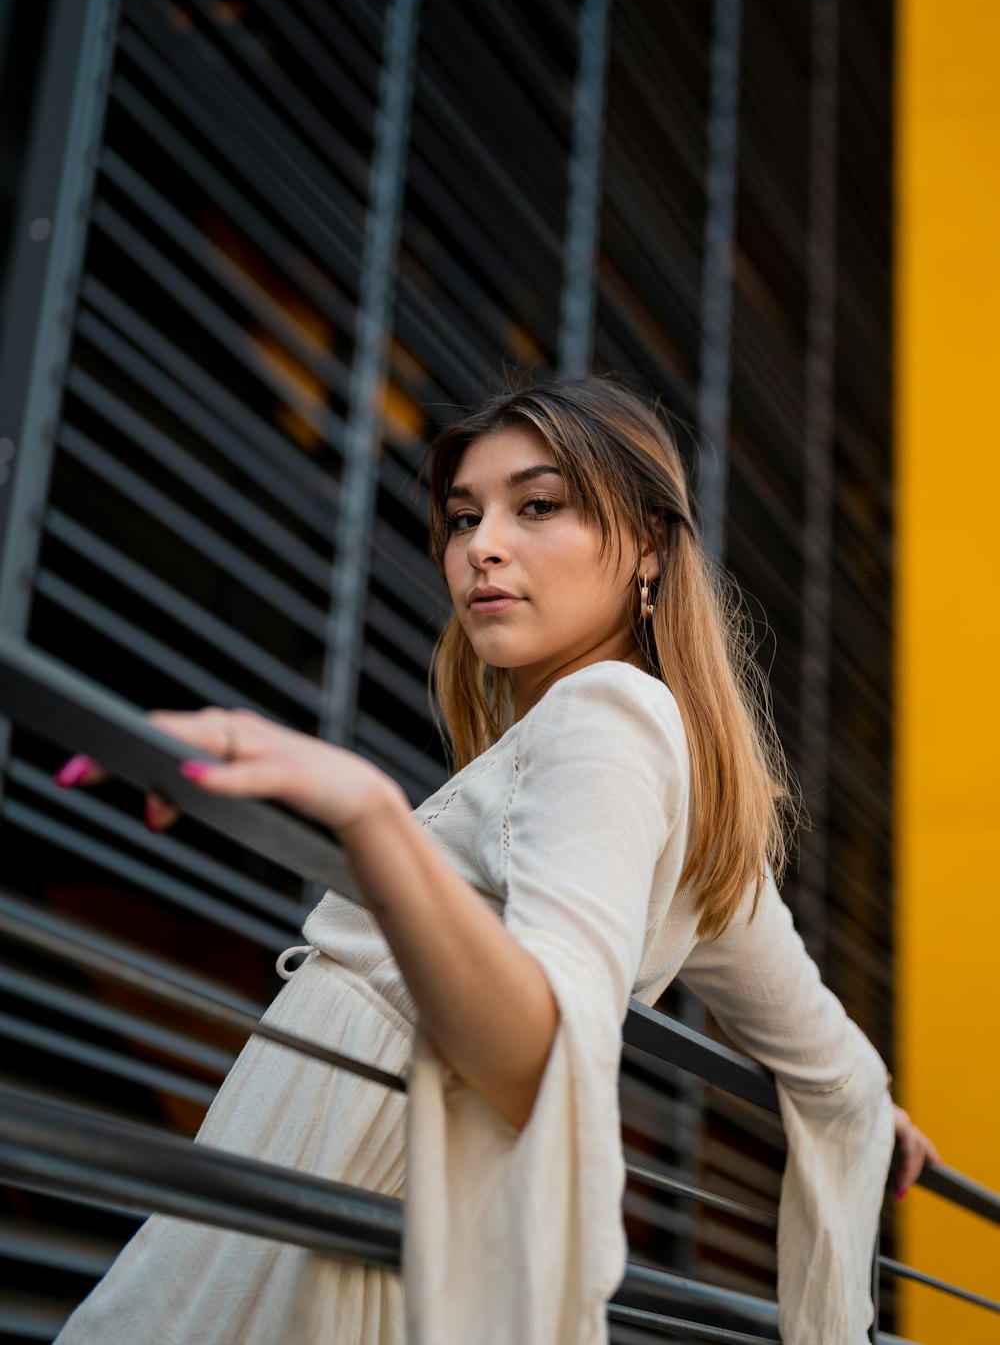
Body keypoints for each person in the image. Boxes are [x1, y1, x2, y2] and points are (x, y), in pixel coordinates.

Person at [51, 375, 937, 1345]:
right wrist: (872, 1112)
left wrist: (369, 817)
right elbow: (826, 1054)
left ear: (647, 544)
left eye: (539, 506)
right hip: (355, 1195)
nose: (482, 545)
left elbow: (546, 1060)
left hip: (353, 1189)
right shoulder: (677, 784)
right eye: (462, 516)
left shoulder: (608, 718)